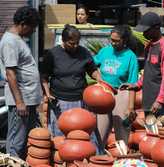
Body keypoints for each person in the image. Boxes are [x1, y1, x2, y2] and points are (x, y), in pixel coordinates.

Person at [41, 24, 101, 137]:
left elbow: (92, 70)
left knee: (80, 132)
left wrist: (98, 78)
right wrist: (47, 93)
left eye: (78, 42)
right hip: (59, 100)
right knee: (61, 133)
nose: (75, 46)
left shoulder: (83, 52)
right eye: (72, 43)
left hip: (80, 99)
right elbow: (44, 76)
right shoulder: (53, 54)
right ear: (63, 40)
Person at [0, 6, 42, 159]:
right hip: (21, 100)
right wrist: (19, 102)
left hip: (28, 99)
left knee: (25, 139)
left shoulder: (18, 39)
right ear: (23, 24)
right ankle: (11, 162)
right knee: (16, 140)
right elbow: (10, 73)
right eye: (33, 27)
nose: (34, 31)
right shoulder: (10, 42)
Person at [93, 25, 139, 153]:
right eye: (111, 39)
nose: (113, 43)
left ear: (124, 40)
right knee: (99, 134)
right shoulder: (105, 51)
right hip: (104, 94)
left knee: (122, 133)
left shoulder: (131, 57)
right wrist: (97, 75)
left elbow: (133, 85)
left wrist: (130, 107)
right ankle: (98, 159)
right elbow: (92, 64)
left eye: (116, 40)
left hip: (121, 94)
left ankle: (122, 160)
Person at [120, 12, 164, 118]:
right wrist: (137, 85)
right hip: (148, 101)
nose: (143, 33)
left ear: (157, 28)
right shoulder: (148, 46)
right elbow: (148, 70)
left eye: (146, 30)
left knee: (161, 132)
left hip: (160, 105)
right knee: (150, 133)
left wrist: (160, 100)